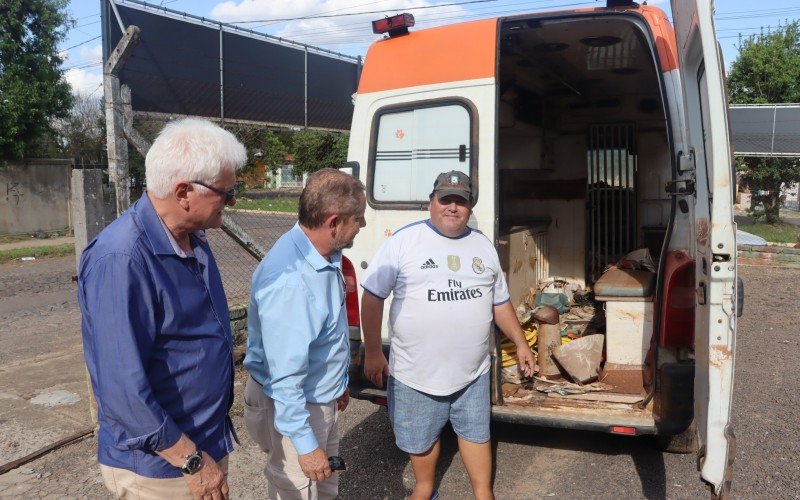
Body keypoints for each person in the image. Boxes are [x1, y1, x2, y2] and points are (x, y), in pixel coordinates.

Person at [78, 118, 246, 499]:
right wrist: (190, 460)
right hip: (164, 466)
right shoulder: (121, 259)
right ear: (184, 191)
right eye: (226, 192)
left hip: (202, 447)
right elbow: (122, 389)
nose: (233, 201)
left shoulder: (193, 240)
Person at [360, 170, 535, 500]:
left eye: (461, 201)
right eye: (446, 199)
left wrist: (522, 343)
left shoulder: (482, 245)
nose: (453, 207)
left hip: (472, 374)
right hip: (416, 375)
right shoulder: (403, 242)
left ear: (470, 207)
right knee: (420, 440)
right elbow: (372, 297)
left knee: (476, 434)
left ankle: (484, 494)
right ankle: (425, 489)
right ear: (432, 203)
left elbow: (500, 301)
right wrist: (372, 351)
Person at [243, 168, 366, 499]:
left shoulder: (322, 253)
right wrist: (305, 443)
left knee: (324, 488)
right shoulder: (292, 283)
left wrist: (336, 383)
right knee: (298, 489)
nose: (363, 225)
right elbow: (285, 378)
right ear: (333, 222)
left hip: (315, 398)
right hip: (295, 406)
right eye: (359, 218)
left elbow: (322, 334)